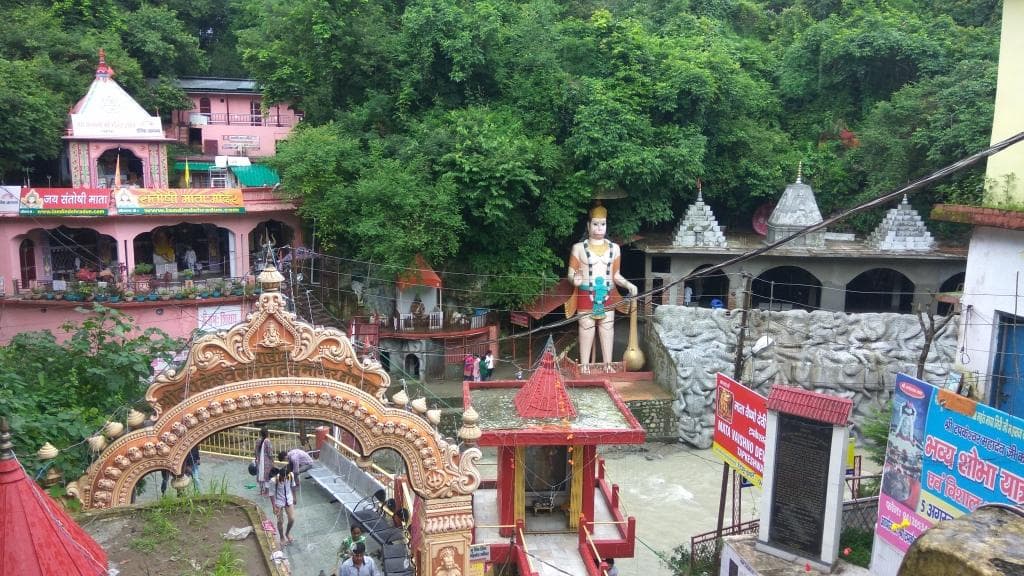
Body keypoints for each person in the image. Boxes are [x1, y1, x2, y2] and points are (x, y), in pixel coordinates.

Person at [566, 202, 637, 372]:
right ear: (588, 225)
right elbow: (570, 273)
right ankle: (584, 365)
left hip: (608, 293)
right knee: (586, 328)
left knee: (607, 329)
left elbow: (616, 276)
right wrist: (574, 279)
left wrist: (629, 285)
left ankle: (607, 364)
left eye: (603, 224)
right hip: (586, 294)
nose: (599, 228)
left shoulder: (615, 249)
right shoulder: (578, 248)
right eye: (596, 224)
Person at [271, 466, 296, 545]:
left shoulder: (291, 475)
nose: (284, 479)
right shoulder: (274, 480)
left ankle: (287, 533)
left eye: (286, 477)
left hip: (288, 499)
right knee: (280, 521)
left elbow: (293, 486)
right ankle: (281, 537)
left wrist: (295, 497)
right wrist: (274, 506)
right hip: (279, 501)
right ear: (280, 475)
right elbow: (271, 494)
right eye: (283, 477)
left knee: (292, 519)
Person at [254, 426, 274, 496]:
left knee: (260, 475)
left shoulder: (258, 440)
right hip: (266, 462)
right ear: (267, 433)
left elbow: (256, 451)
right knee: (267, 476)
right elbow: (270, 453)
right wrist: (272, 461)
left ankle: (261, 491)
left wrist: (256, 458)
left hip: (259, 461)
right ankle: (266, 492)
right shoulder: (267, 441)